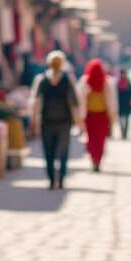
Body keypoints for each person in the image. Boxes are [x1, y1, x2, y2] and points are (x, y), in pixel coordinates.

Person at [31, 50, 78, 189]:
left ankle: (52, 180)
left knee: (49, 151)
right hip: (64, 121)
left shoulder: (42, 79)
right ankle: (61, 178)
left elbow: (36, 102)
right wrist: (78, 121)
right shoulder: (67, 79)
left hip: (47, 120)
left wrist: (34, 120)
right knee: (63, 151)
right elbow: (74, 102)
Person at [77, 59, 117, 171]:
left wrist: (80, 117)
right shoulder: (107, 82)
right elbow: (112, 101)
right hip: (102, 116)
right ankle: (97, 160)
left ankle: (94, 160)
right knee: (100, 139)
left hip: (90, 116)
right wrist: (112, 117)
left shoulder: (85, 82)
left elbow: (80, 100)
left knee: (91, 139)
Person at [116, 69, 131, 139]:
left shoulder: (128, 82)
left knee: (126, 119)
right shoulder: (117, 82)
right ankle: (122, 132)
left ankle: (125, 133)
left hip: (127, 103)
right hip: (120, 104)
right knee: (121, 120)